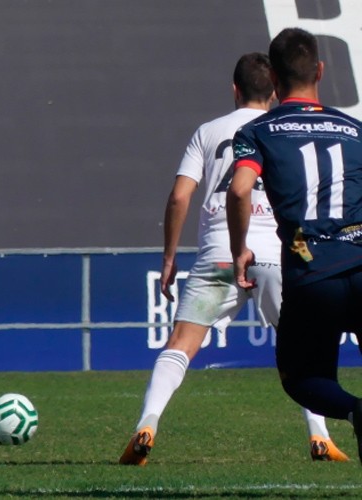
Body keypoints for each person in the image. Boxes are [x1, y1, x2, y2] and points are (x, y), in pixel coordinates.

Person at [119, 52, 348, 466]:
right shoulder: (280, 130)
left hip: (219, 253)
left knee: (180, 345)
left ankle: (147, 424)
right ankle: (320, 436)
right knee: (303, 350)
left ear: (234, 89)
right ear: (275, 88)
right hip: (273, 254)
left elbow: (179, 196)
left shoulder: (207, 132)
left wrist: (170, 257)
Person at [228, 28, 362, 463]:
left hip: (313, 273)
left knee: (301, 376)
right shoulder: (354, 128)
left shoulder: (258, 130)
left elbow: (240, 189)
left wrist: (239, 249)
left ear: (275, 78)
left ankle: (356, 412)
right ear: (320, 70)